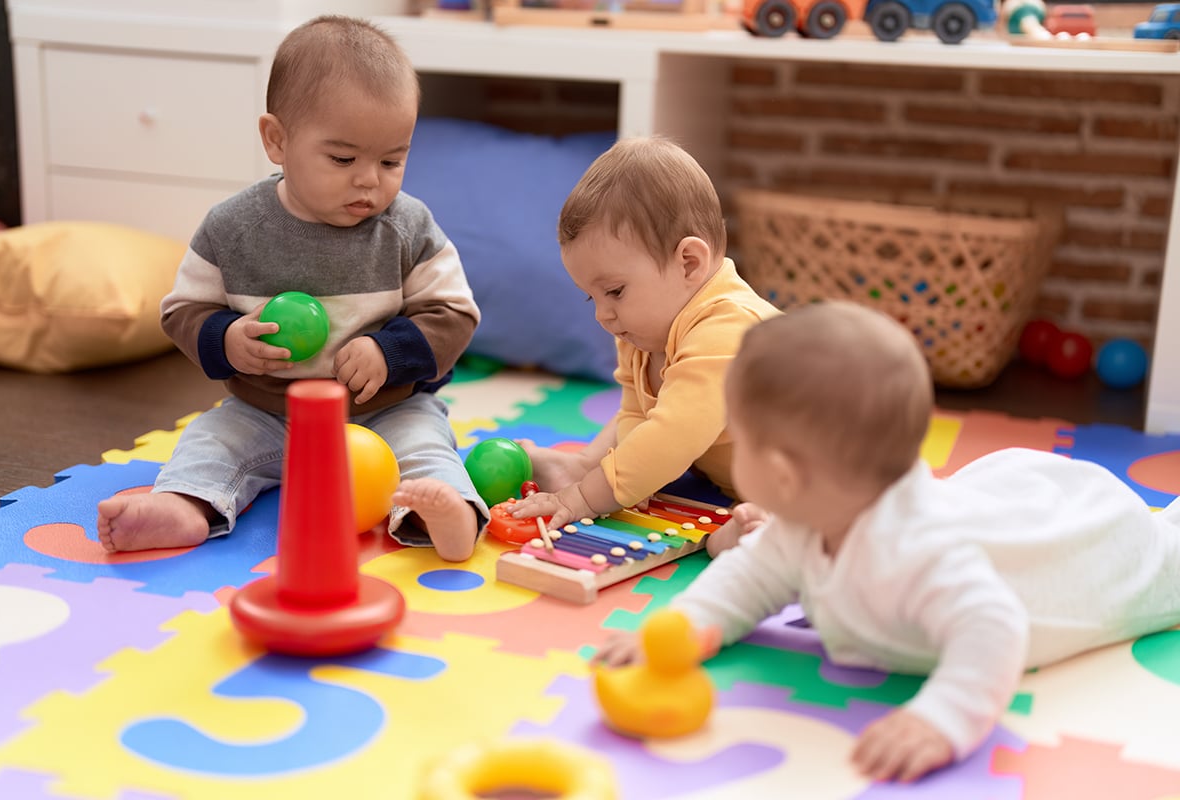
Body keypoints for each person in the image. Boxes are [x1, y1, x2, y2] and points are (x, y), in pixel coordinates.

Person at [593, 301, 1180, 783]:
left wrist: (942, 718)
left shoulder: (920, 557)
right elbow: (752, 576)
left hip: (1086, 550)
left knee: (1162, 563)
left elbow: (996, 628)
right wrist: (693, 626)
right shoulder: (803, 519)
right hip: (993, 498)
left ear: (784, 476)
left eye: (738, 440)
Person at [96, 15, 486, 561]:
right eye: (344, 159)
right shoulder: (232, 229)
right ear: (277, 140)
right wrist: (227, 339)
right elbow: (183, 308)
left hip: (385, 411)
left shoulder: (408, 227)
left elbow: (454, 312)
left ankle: (444, 516)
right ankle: (186, 505)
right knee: (211, 441)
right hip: (269, 411)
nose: (370, 179)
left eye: (392, 160)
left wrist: (388, 350)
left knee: (426, 450)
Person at [509, 137, 778, 555]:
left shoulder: (728, 328)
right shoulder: (644, 330)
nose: (602, 314)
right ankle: (585, 465)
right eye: (591, 297)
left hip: (831, 471)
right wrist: (630, 482)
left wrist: (580, 499)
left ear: (689, 263)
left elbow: (671, 437)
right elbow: (638, 414)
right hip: (740, 480)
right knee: (639, 448)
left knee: (777, 526)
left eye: (615, 291)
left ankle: (762, 535)